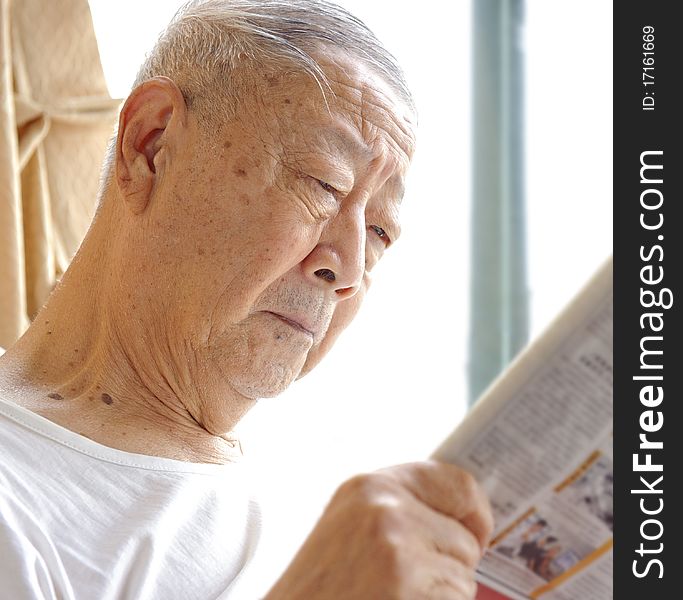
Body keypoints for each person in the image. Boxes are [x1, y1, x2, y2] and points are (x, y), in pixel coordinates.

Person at [0, 0, 493, 598]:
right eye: (324, 184)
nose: (347, 266)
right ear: (152, 146)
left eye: (379, 233)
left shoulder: (335, 516)